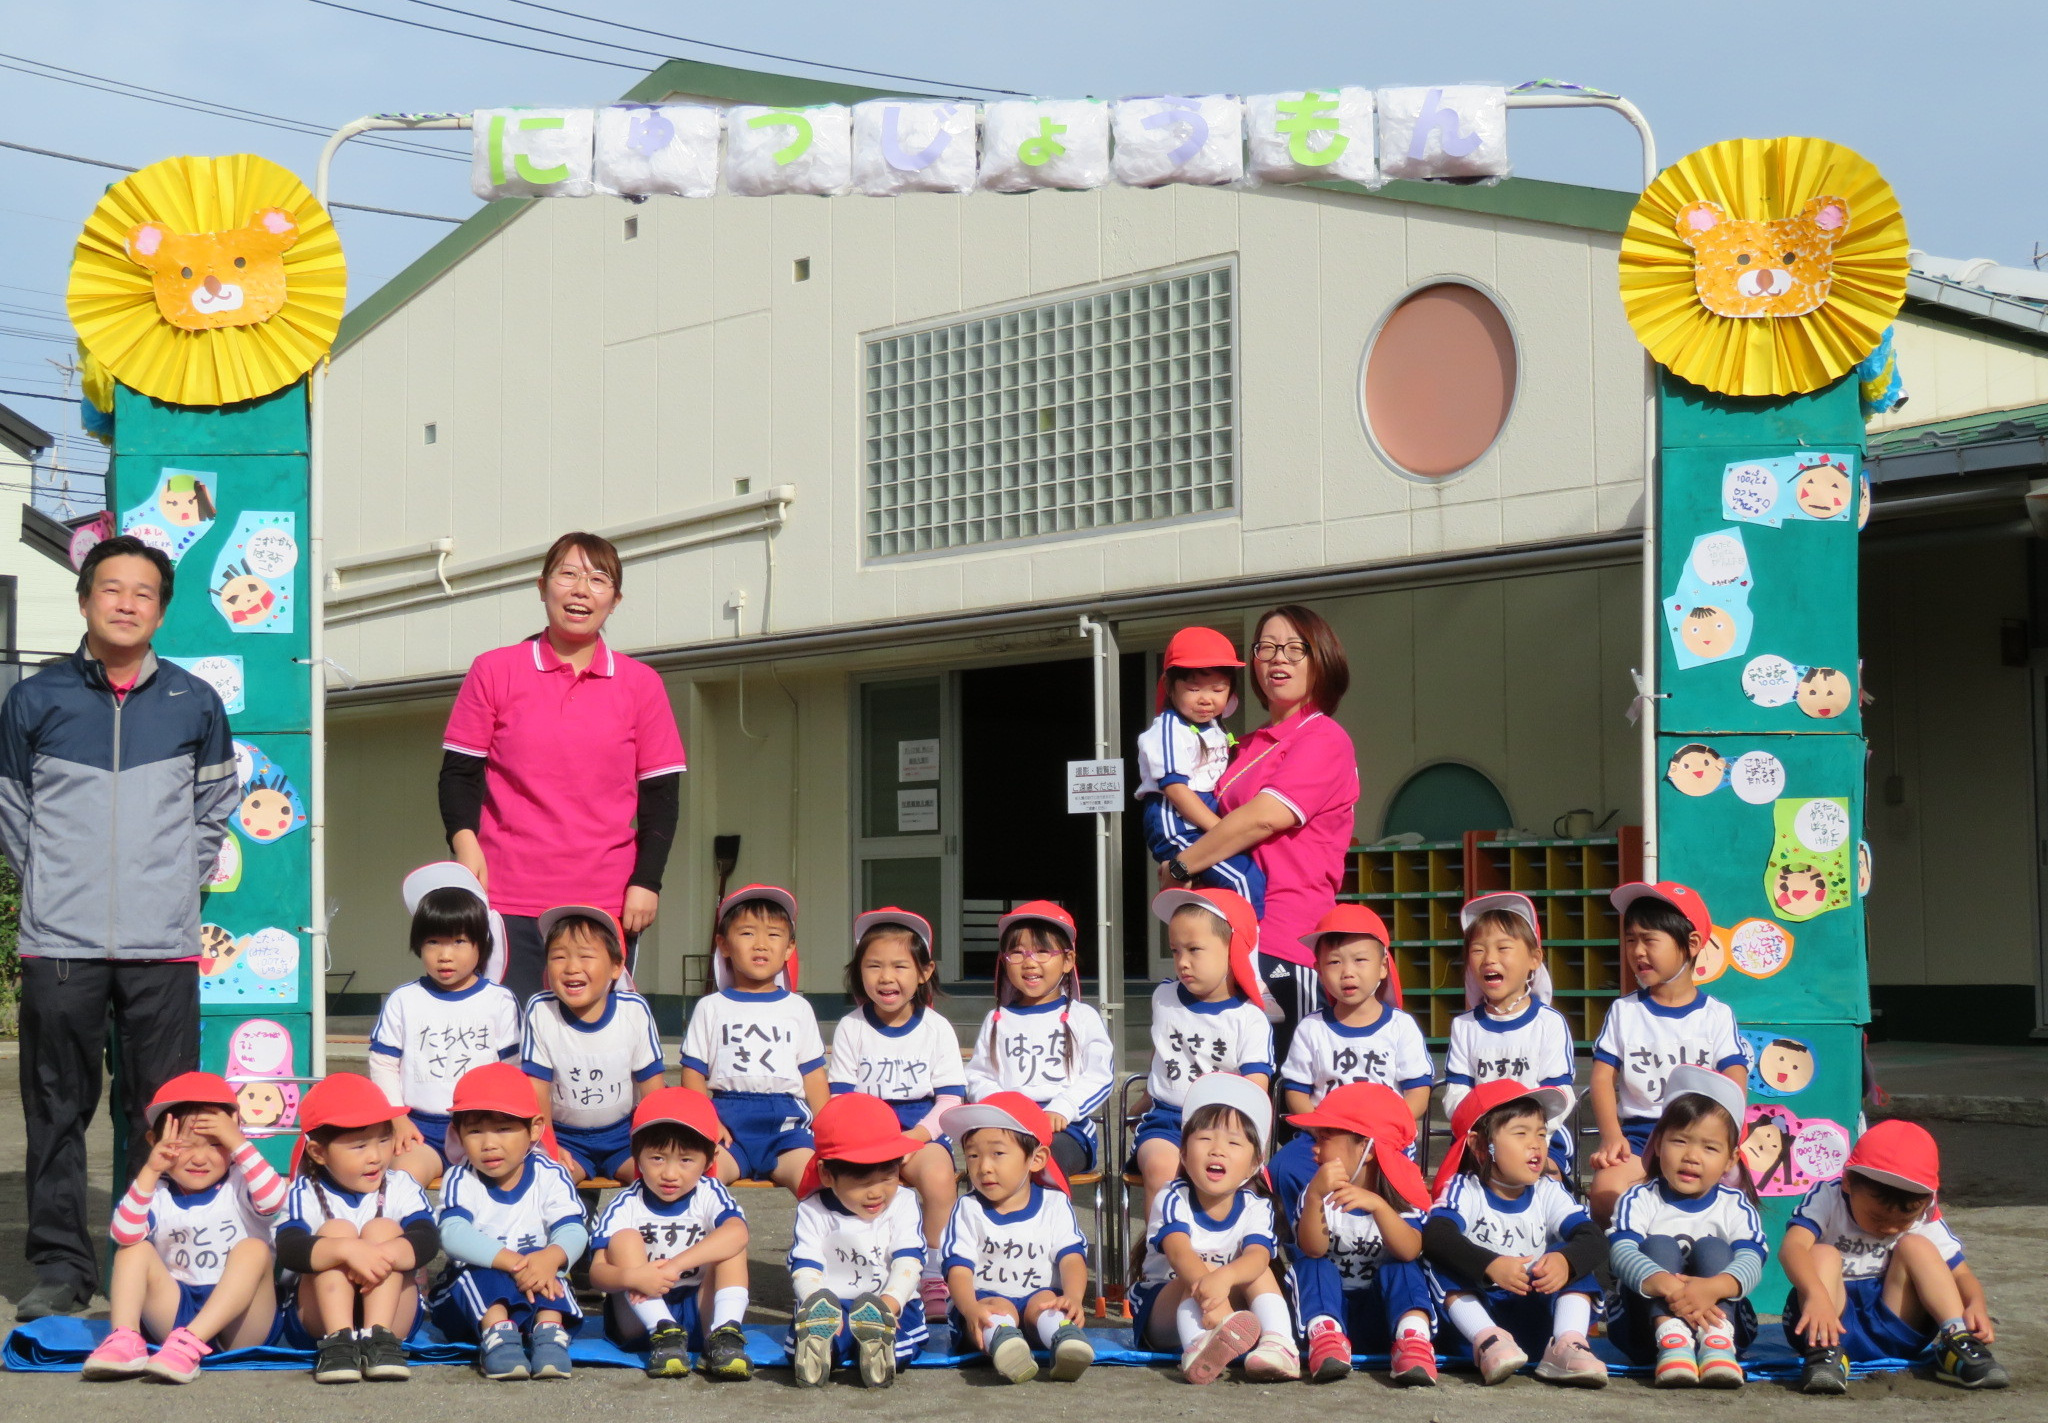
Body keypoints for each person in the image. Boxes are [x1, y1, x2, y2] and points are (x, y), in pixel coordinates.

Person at [1, 535, 236, 1318]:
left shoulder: (195, 701)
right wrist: (54, 883)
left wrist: (170, 882)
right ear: (85, 599)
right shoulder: (35, 700)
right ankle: (64, 1267)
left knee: (162, 1110)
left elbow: (213, 811)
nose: (127, 602)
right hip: (58, 944)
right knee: (56, 1108)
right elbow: (13, 813)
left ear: (162, 610)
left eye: (144, 592)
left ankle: (156, 1257)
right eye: (112, 588)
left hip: (161, 945)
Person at [438, 531, 687, 1003]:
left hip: (604, 902)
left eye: (598, 580)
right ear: (541, 585)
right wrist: (466, 850)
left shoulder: (642, 685)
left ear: (614, 599)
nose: (580, 590)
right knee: (509, 1042)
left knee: (594, 1044)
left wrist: (646, 882)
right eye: (567, 575)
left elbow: (661, 797)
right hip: (505, 899)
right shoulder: (494, 670)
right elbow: (459, 775)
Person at [1159, 605, 1358, 1055]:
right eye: (1266, 648)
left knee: (1288, 1090)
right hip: (1221, 938)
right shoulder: (1242, 745)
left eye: (1293, 648)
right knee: (1226, 1099)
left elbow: (1265, 816)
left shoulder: (1323, 737)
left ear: (1321, 658)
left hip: (1284, 936)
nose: (1277, 659)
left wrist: (1184, 862)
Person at [80, 1073, 284, 1384]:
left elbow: (275, 1200)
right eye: (184, 1145)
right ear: (154, 1142)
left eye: (217, 1144)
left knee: (254, 1249)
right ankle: (125, 1339)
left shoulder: (241, 1182)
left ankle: (191, 1343)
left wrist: (239, 1144)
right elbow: (123, 1233)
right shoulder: (157, 1191)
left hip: (242, 1324)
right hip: (176, 1317)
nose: (200, 1158)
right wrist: (150, 1170)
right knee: (133, 1248)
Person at [1781, 1120, 2007, 1393]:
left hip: (1896, 1325)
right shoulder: (1828, 1197)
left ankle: (1956, 1338)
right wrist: (1816, 1295)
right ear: (1849, 1183)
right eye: (1877, 1217)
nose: (1889, 1228)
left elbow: (1960, 1273)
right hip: (1829, 1321)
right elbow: (1791, 1248)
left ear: (1925, 1201)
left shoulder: (1925, 1215)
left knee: (1916, 1246)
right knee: (1822, 1253)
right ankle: (1825, 1355)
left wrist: (1975, 1304)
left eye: (1903, 1219)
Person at [1422, 1079, 1608, 1387]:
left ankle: (1567, 1344)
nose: (1535, 1143)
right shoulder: (1465, 1190)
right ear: (1481, 1146)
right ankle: (1489, 1341)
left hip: (1537, 1318)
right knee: (1440, 1258)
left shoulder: (1548, 1191)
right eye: (1520, 1133)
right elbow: (1437, 1234)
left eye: (1541, 1133)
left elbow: (1594, 1238)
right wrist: (1489, 1264)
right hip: (1476, 1324)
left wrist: (1565, 1262)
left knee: (1573, 1257)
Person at [826, 906, 966, 1318]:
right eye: (873, 966)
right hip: (864, 1133)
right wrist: (870, 1143)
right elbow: (840, 1100)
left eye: (900, 966)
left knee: (940, 1178)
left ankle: (935, 1272)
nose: (886, 977)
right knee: (841, 1182)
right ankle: (848, 1270)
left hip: (920, 1130)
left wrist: (912, 1141)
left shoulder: (936, 1028)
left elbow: (951, 1101)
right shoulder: (851, 1026)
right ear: (858, 973)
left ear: (924, 972)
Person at [1588, 882, 1748, 1223]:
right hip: (1640, 1138)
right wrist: (1612, 1136)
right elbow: (1602, 1078)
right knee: (1604, 1193)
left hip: (1700, 1136)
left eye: (1649, 940)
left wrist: (1724, 1135)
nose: (1637, 951)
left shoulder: (1716, 1015)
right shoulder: (1624, 1012)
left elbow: (1735, 1077)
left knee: (1723, 1210)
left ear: (1691, 944)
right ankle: (1631, 1268)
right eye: (1630, 940)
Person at [1127, 1072, 1297, 1383]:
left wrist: (1226, 1278)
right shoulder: (1172, 1197)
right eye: (1205, 1138)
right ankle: (1199, 1346)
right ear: (1183, 1153)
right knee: (1197, 1265)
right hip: (1163, 1311)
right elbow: (1179, 1254)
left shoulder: (1257, 1206)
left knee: (1259, 1269)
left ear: (1254, 1164)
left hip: (1228, 1308)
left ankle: (1279, 1343)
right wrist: (1214, 1294)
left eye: (1233, 1142)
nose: (1217, 1149)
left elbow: (1259, 1256)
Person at [1604, 1067, 1766, 1389]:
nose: (1691, 1156)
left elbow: (1752, 1261)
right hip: (1644, 1331)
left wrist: (1713, 1288)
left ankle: (1717, 1342)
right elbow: (1620, 1252)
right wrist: (1668, 1286)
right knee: (1658, 1245)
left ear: (1731, 1160)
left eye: (1710, 1147)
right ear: (1659, 1145)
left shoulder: (1734, 1204)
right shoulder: (1639, 1198)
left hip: (1722, 1321)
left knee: (1715, 1248)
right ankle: (1672, 1340)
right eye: (1679, 1141)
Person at [275, 1073, 438, 1385]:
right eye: (359, 1146)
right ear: (318, 1153)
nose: (375, 1156)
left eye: (383, 1140)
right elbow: (289, 1248)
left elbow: (428, 1239)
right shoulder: (303, 1192)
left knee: (383, 1228)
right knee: (337, 1230)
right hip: (319, 1318)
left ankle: (380, 1341)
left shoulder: (401, 1185)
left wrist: (381, 1254)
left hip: (393, 1315)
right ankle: (339, 1343)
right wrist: (347, 1250)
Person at [428, 1062, 587, 1382]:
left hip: (536, 1282)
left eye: (503, 1129)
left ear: (535, 1129)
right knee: (482, 1270)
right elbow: (453, 1233)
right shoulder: (461, 1177)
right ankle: (498, 1334)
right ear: (457, 1133)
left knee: (553, 1269)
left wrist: (549, 1258)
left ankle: (549, 1330)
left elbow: (573, 1230)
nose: (489, 1144)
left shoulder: (550, 1173)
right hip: (467, 1300)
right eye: (474, 1131)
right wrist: (517, 1263)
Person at [1128, 888, 1274, 1228]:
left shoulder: (1248, 1017)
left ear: (1233, 950)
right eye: (1176, 951)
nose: (1182, 961)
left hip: (1226, 1126)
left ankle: (1227, 1259)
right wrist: (1145, 1100)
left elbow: (1256, 1089)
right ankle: (1158, 1262)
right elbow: (1162, 1052)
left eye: (1194, 950)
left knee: (1235, 1180)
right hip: (1168, 1119)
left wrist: (1244, 1139)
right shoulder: (1164, 996)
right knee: (1160, 1167)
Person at [1271, 904, 1432, 1208]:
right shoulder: (1312, 1028)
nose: (1348, 972)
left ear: (1383, 966)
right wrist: (1322, 1131)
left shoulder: (1400, 1027)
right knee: (1284, 1168)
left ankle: (1388, 1248)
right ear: (1318, 969)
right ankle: (1303, 1247)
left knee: (1390, 1183)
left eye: (1360, 960)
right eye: (1334, 962)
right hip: (1322, 1138)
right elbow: (1296, 1091)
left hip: (1383, 1140)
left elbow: (1419, 1091)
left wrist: (1393, 1127)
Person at [370, 862, 521, 1185]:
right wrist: (397, 1119)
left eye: (459, 942)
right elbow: (383, 1063)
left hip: (483, 1129)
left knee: (495, 1187)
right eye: (433, 942)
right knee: (403, 1180)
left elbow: (512, 1068)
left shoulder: (499, 1001)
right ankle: (412, 1234)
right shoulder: (404, 1000)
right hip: (419, 1130)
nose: (445, 955)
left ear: (482, 944)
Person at [589, 1087, 752, 1381]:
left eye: (686, 1160)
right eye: (658, 1158)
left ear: (711, 1158)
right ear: (636, 1155)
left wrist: (675, 1266)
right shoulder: (626, 1204)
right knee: (624, 1238)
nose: (670, 1174)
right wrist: (633, 1278)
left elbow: (738, 1234)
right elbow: (597, 1273)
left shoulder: (710, 1192)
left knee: (731, 1240)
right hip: (639, 1317)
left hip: (698, 1309)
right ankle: (663, 1333)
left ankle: (725, 1334)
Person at [1283, 1083, 1438, 1386]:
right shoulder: (1318, 1193)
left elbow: (1409, 1250)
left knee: (1404, 1268)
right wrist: (1314, 1197)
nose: (1315, 1149)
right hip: (1330, 1310)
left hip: (1382, 1315)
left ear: (1366, 1149)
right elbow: (1313, 1249)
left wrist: (1379, 1208)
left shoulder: (1402, 1197)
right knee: (1313, 1265)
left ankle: (1414, 1341)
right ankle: (1325, 1339)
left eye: (1325, 1138)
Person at [937, 1092, 1095, 1384]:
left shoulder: (1054, 1204)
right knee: (997, 1308)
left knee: (1048, 1301)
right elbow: (958, 1268)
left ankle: (1065, 1341)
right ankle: (1006, 1346)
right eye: (973, 1155)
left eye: (997, 1153)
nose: (983, 1166)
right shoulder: (968, 1209)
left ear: (1036, 1159)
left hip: (1037, 1301)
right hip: (982, 1305)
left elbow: (1071, 1257)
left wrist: (1072, 1297)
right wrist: (970, 1307)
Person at [680, 885, 828, 1192]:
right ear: (723, 944)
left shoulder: (798, 1008)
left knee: (818, 1181)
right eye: (747, 933)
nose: (761, 944)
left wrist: (828, 1128)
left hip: (787, 1126)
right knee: (702, 1184)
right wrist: (706, 1122)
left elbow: (812, 1074)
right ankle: (720, 1239)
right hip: (727, 1122)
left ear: (789, 948)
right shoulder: (711, 1007)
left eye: (774, 935)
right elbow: (693, 1073)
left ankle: (817, 1241)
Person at [785, 1093, 932, 1388]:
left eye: (888, 1177)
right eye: (862, 1184)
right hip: (831, 1306)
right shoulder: (813, 1209)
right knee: (797, 1339)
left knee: (905, 1339)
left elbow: (909, 1261)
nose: (876, 1193)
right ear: (827, 1174)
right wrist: (818, 1305)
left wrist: (890, 1303)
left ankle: (880, 1347)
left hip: (890, 1304)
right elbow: (805, 1267)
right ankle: (821, 1350)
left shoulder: (903, 1202)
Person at [963, 901, 1116, 1177]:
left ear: (1068, 961)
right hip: (1008, 1124)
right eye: (1017, 953)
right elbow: (977, 1076)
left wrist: (1064, 1107)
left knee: (1038, 1160)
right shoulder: (997, 1018)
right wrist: (1002, 1105)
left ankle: (1052, 1219)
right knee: (986, 1161)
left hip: (1067, 1129)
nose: (1030, 962)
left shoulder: (1083, 1017)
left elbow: (1100, 1075)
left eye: (1043, 951)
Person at [520, 906, 666, 1184]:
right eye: (558, 957)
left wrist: (651, 1144)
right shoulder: (541, 1011)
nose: (572, 967)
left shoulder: (633, 1010)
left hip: (624, 1137)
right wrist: (549, 1144)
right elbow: (537, 1088)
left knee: (655, 1180)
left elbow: (651, 1087)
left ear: (615, 966)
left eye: (586, 956)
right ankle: (574, 1226)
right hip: (567, 1139)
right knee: (551, 1185)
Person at [1443, 892, 1577, 1175]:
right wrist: (1486, 1130)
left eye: (1503, 948)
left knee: (1544, 1173)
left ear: (1534, 959)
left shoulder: (1548, 1023)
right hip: (1481, 1138)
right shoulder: (1464, 1026)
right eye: (1478, 950)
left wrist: (1522, 1132)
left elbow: (1561, 1093)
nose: (1489, 958)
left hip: (1540, 1137)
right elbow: (1456, 1092)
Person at [1134, 627, 1265, 909]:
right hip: (1178, 820)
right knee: (1241, 879)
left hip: (1204, 817)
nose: (1206, 699)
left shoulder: (1214, 726)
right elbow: (1176, 789)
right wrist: (1224, 831)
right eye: (1193, 689)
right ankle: (1249, 949)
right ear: (1169, 687)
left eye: (1218, 689)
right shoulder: (1170, 728)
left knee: (1235, 881)